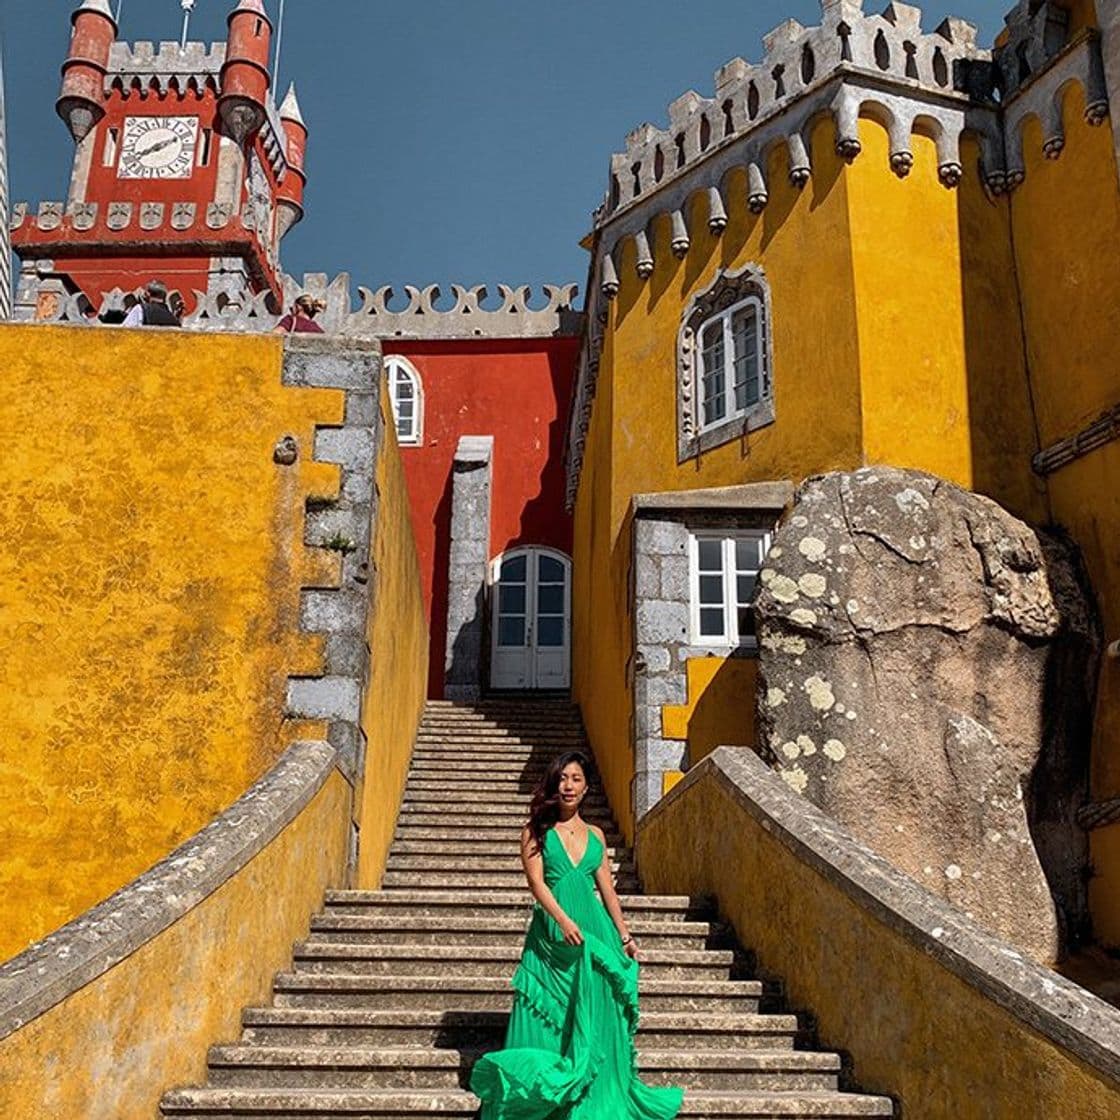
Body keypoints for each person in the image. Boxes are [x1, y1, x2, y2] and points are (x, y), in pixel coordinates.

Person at [469, 751, 684, 1119]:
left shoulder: (596, 835)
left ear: (586, 787)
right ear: (554, 784)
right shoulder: (535, 830)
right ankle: (539, 1098)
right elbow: (536, 884)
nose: (568, 785)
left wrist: (624, 936)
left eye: (576, 779)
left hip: (593, 929)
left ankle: (595, 1094)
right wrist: (564, 920)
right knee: (549, 1013)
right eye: (563, 778)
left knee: (598, 1011)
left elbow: (608, 891)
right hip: (552, 935)